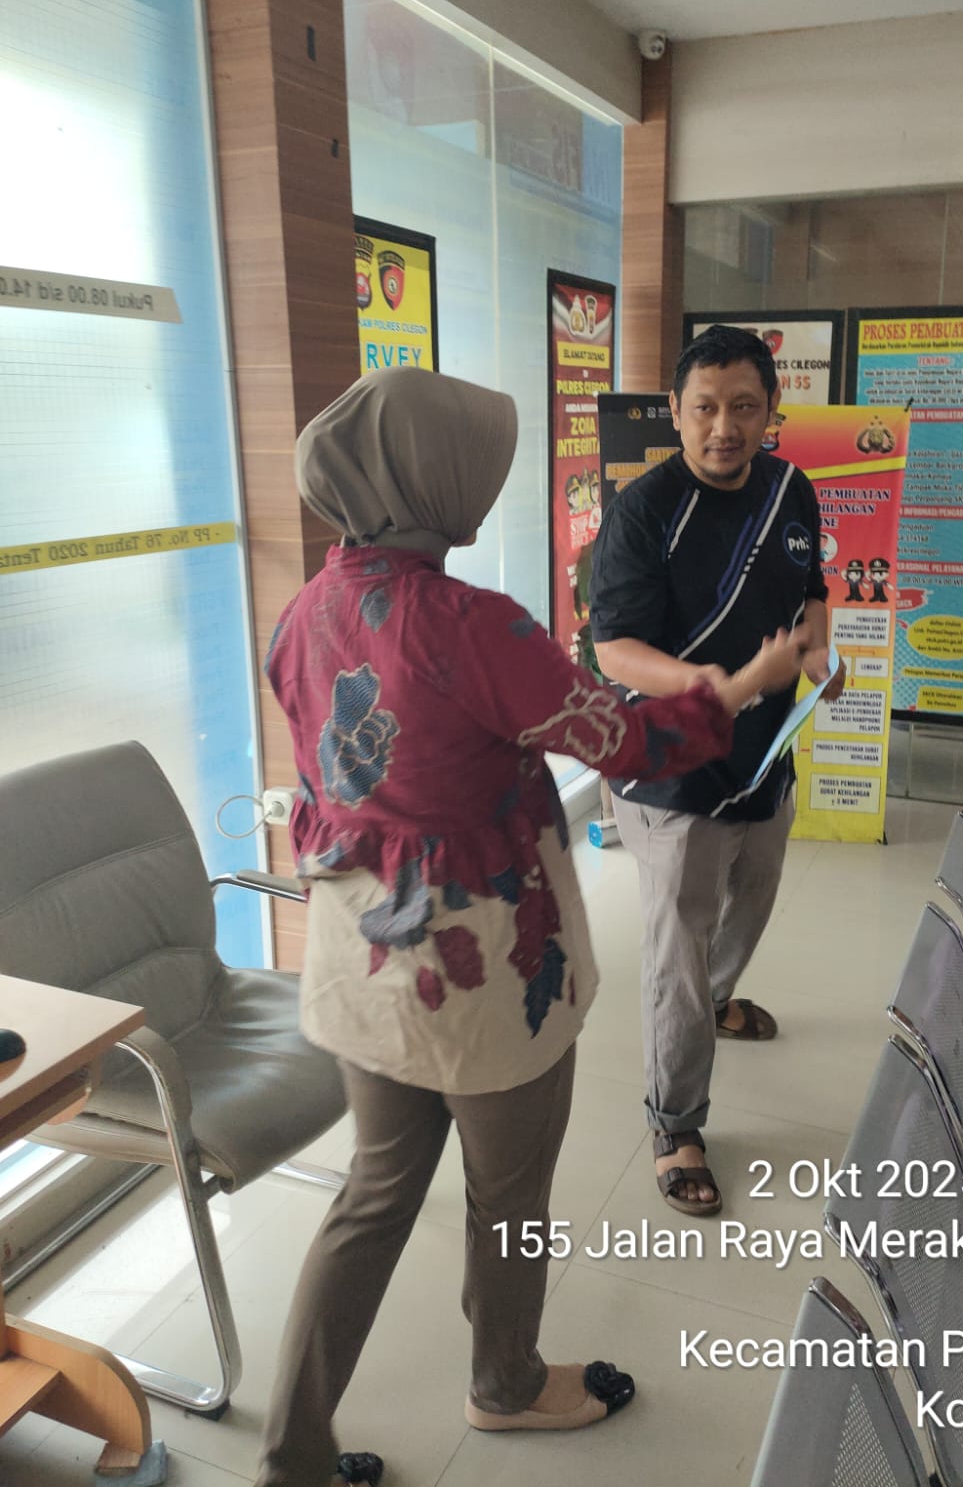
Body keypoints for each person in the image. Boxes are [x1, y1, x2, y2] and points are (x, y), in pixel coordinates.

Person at [256, 364, 813, 1486]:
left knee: (373, 1193)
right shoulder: (472, 625)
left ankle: (291, 1454)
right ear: (427, 479)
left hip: (365, 950)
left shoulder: (306, 609)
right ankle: (504, 1383)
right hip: (484, 967)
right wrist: (749, 678)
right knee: (506, 1196)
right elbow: (628, 740)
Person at [588, 323, 845, 1217]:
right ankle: (676, 1124)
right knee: (678, 951)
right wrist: (720, 685)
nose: (724, 427)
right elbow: (615, 649)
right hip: (673, 770)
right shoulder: (643, 511)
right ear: (675, 411)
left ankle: (719, 999)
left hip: (766, 753)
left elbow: (812, 595)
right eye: (705, 408)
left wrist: (817, 655)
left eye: (743, 407)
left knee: (755, 897)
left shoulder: (790, 488)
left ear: (772, 410)